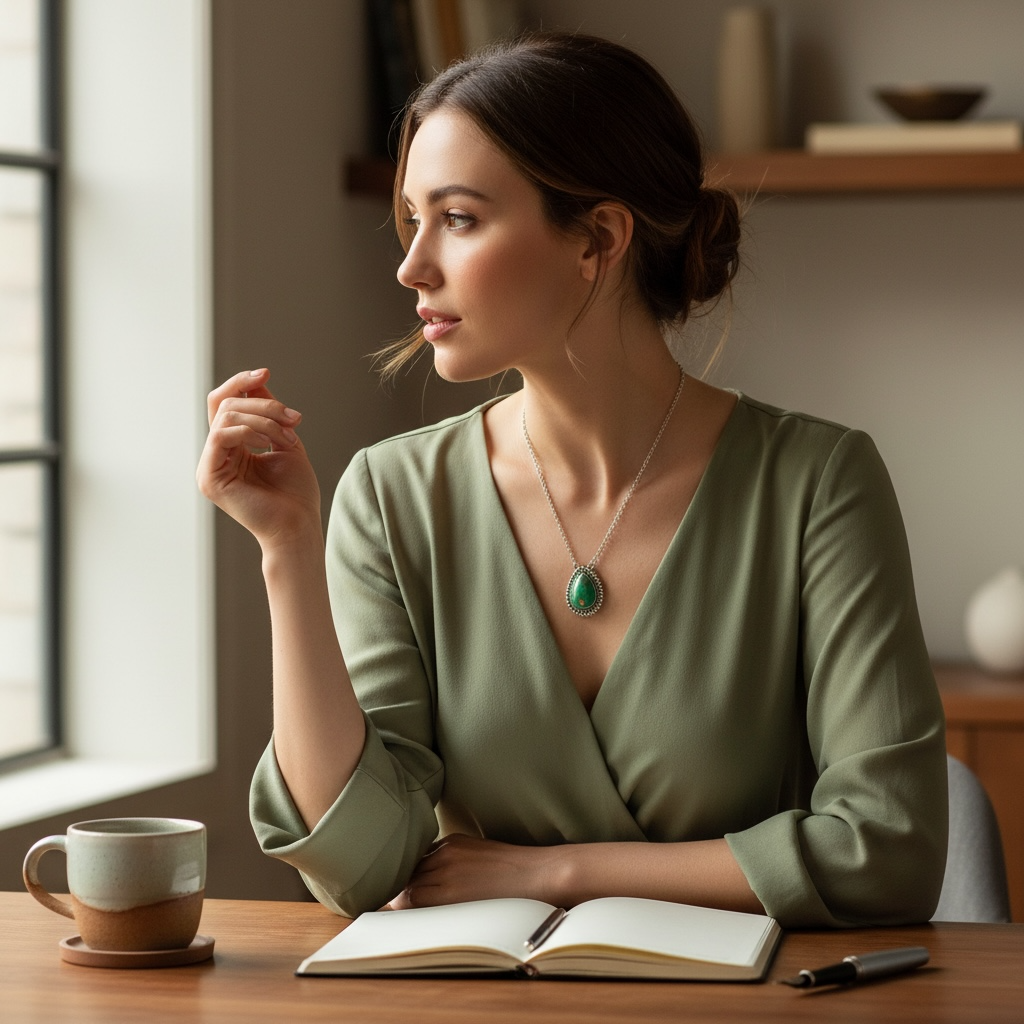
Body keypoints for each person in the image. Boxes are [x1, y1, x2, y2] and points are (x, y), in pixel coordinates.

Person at [197, 32, 947, 928]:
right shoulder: (391, 496)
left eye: (460, 219)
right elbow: (360, 866)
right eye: (411, 218)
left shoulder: (819, 484)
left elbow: (889, 852)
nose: (411, 266)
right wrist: (286, 547)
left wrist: (556, 873)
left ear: (598, 238)